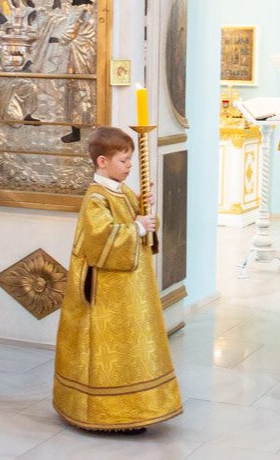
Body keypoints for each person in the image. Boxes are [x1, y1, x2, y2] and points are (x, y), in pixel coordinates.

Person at [52, 127, 183, 433]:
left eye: (130, 160)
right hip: (106, 294)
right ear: (102, 161)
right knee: (109, 348)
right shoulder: (95, 198)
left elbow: (138, 224)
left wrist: (143, 208)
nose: (129, 166)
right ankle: (108, 413)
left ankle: (136, 406)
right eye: (123, 161)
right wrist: (137, 226)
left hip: (130, 290)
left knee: (132, 345)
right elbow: (101, 239)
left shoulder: (121, 191)